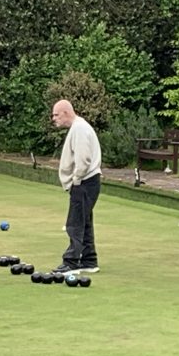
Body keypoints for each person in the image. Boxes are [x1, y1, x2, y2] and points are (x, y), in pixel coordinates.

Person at [52, 99, 101, 273]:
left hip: (84, 181)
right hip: (87, 181)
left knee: (75, 223)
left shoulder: (80, 128)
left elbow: (83, 158)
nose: (54, 118)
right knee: (85, 221)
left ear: (66, 112)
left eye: (56, 115)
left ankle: (71, 263)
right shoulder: (78, 127)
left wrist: (76, 180)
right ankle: (89, 261)